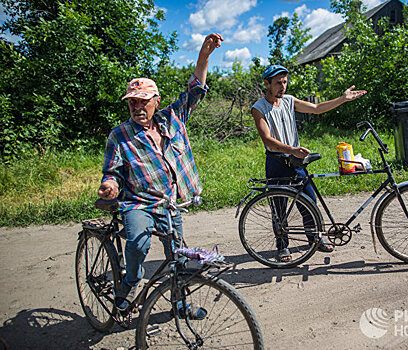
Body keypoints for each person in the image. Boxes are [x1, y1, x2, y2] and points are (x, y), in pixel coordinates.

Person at [97, 33, 223, 311]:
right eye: (132, 102)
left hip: (170, 203)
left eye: (143, 101)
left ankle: (180, 304)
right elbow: (112, 172)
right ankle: (131, 279)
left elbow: (194, 91)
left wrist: (204, 56)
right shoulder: (119, 135)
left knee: (177, 256)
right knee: (138, 243)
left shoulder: (172, 119)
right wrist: (110, 185)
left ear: (156, 101)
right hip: (139, 203)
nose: (137, 106)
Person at [251, 64, 367, 262]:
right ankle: (282, 247)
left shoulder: (288, 101)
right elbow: (268, 140)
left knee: (309, 201)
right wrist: (291, 149)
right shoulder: (258, 108)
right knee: (279, 208)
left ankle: (315, 238)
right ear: (267, 83)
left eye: (285, 82)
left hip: (296, 161)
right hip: (277, 161)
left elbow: (316, 108)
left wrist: (342, 99)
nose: (283, 86)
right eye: (278, 83)